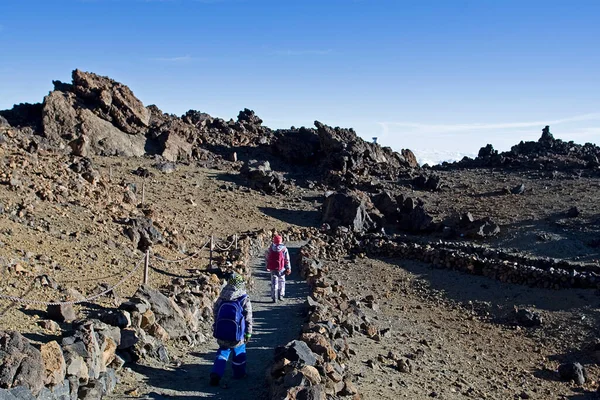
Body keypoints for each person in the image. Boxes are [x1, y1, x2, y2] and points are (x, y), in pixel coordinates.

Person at [210, 273, 253, 386]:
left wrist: (217, 325)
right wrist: (248, 333)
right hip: (238, 334)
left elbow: (215, 312)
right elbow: (248, 317)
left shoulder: (222, 297)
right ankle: (239, 374)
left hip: (222, 332)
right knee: (239, 352)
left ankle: (216, 373)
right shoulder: (243, 298)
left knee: (222, 352)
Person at [265, 234, 291, 303]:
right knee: (282, 281)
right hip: (281, 268)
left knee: (274, 282)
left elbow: (267, 257)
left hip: (273, 268)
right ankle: (281, 295)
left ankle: (274, 297)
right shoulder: (284, 249)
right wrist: (288, 268)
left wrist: (267, 266)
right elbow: (287, 259)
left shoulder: (270, 248)